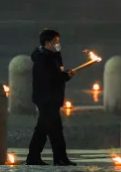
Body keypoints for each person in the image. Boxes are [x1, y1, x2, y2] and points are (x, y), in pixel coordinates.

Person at [27, 29, 76, 166]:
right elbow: (50, 77)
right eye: (56, 42)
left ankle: (33, 157)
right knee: (55, 130)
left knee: (42, 129)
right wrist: (66, 76)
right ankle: (60, 158)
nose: (58, 44)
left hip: (52, 98)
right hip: (46, 99)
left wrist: (64, 74)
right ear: (47, 43)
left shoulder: (53, 56)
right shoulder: (43, 58)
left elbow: (56, 73)